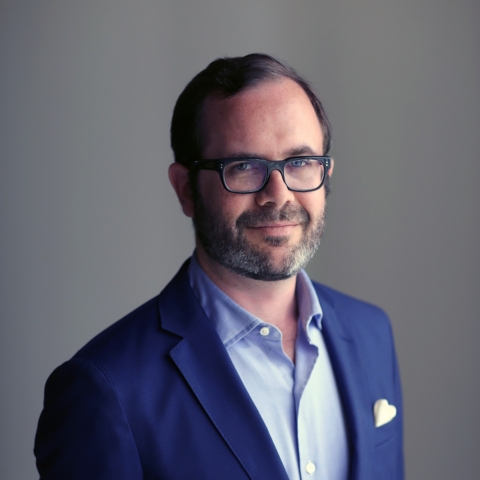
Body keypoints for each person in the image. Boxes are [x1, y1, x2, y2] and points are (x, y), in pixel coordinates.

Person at [34, 53, 403, 480]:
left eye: (300, 163)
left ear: (326, 173)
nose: (278, 194)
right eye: (243, 166)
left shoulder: (371, 333)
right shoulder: (105, 389)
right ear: (186, 189)